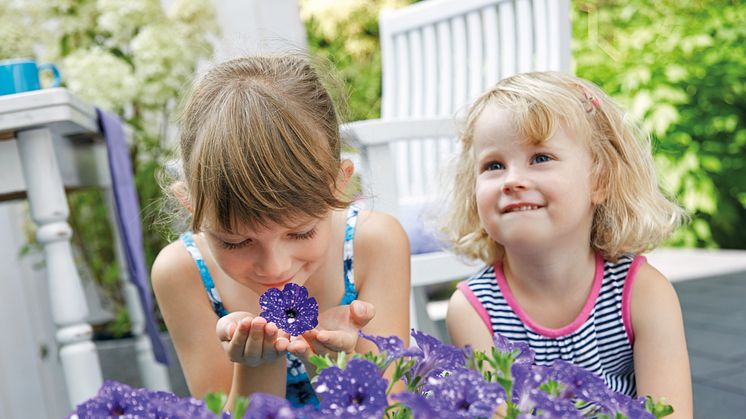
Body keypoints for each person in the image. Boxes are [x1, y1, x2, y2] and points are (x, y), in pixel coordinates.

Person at [151, 55, 410, 410]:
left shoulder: (373, 242)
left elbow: (395, 409)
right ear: (190, 204)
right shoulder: (181, 272)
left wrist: (337, 366)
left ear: (339, 185)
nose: (274, 268)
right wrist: (256, 366)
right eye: (236, 241)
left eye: (301, 233)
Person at [444, 72, 692, 417]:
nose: (512, 180)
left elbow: (669, 412)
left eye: (540, 158)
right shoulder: (473, 310)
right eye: (494, 165)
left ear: (600, 180)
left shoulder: (643, 293)